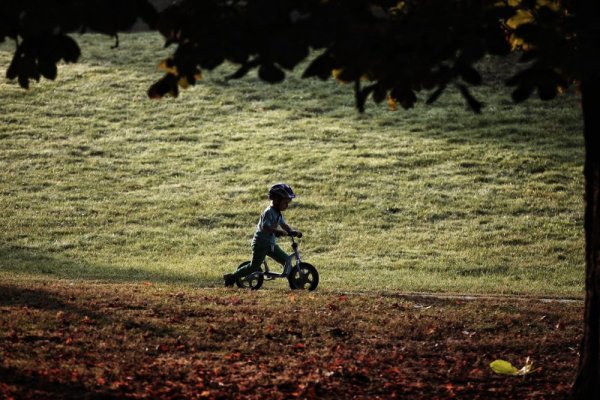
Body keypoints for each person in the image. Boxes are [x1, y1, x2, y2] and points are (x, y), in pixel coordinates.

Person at [224, 183, 302, 287]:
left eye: (288, 203)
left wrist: (291, 231)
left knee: (286, 260)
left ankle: (293, 282)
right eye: (285, 202)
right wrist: (277, 232)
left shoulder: (278, 213)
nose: (287, 205)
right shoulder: (269, 212)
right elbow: (265, 227)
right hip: (261, 244)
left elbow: (283, 224)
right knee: (254, 266)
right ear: (276, 200)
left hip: (271, 245)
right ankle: (232, 277)